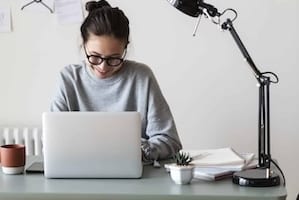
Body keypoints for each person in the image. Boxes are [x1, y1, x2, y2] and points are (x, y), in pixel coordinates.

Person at [50, 0, 182, 163]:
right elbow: (53, 142)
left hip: (134, 179)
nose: (103, 67)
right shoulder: (69, 78)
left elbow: (170, 141)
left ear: (124, 49)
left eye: (114, 58)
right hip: (79, 173)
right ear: (83, 45)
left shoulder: (141, 77)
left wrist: (140, 151)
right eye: (95, 56)